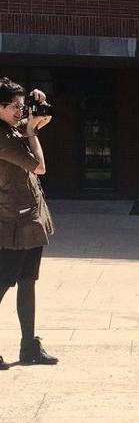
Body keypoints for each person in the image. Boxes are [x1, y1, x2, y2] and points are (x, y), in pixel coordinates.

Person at [0, 77, 57, 369]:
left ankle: (29, 348)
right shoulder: (2, 138)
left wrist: (35, 113)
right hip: (10, 224)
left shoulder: (11, 129)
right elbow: (40, 166)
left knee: (27, 283)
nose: (20, 112)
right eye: (16, 107)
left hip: (30, 221)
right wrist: (32, 131)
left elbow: (27, 128)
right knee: (2, 284)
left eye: (22, 106)